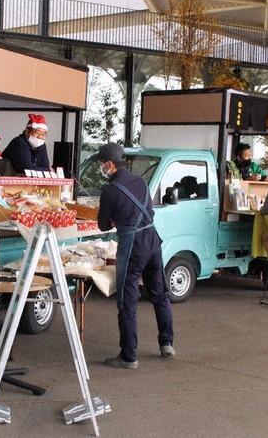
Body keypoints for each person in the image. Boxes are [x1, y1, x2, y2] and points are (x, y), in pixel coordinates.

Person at [90, 142, 174, 369]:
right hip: (153, 240)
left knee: (127, 301)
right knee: (159, 293)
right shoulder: (141, 182)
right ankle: (166, 343)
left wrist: (116, 219)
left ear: (109, 164)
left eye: (101, 164)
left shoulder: (109, 190)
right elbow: (150, 211)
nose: (100, 167)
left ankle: (129, 356)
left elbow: (102, 225)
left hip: (133, 245)